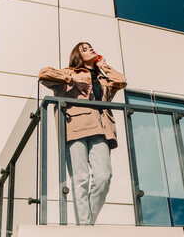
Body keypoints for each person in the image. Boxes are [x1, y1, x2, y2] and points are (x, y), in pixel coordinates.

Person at [38, 42, 127, 225]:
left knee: (103, 177)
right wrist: (72, 79)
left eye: (91, 47)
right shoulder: (70, 72)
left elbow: (121, 80)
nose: (90, 49)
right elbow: (43, 74)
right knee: (81, 179)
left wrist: (103, 66)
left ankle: (86, 226)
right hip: (75, 129)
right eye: (85, 49)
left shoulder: (103, 79)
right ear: (77, 56)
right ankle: (85, 229)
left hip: (101, 131)